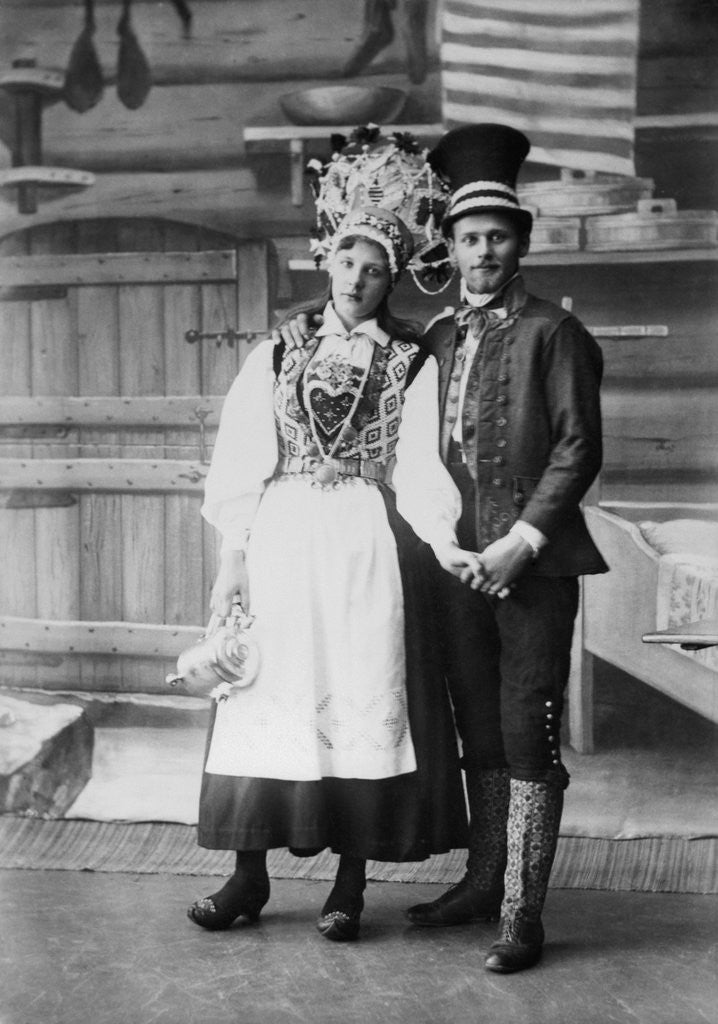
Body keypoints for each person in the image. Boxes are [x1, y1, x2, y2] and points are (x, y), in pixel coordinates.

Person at [279, 123, 609, 972]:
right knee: (477, 732)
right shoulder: (437, 340)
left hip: (535, 571)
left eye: (498, 237)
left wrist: (523, 541)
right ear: (451, 250)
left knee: (528, 733)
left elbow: (577, 448)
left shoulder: (554, 335)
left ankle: (522, 915)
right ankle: (482, 878)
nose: (483, 252)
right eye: (468, 239)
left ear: (521, 245)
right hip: (453, 569)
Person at [187, 206, 469, 943]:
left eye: (375, 270)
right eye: (348, 263)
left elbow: (418, 467)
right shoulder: (277, 353)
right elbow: (240, 459)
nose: (358, 280)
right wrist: (232, 561)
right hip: (281, 535)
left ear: (392, 280)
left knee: (356, 688)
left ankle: (349, 884)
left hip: (361, 539)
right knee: (263, 690)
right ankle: (248, 877)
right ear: (328, 263)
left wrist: (443, 543)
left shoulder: (412, 361)